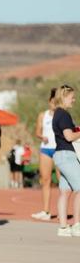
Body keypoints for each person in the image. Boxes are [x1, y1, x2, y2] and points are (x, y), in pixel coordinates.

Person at [51, 85, 80, 237]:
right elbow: (69, 137)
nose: (73, 100)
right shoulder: (63, 114)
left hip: (61, 155)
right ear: (63, 97)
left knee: (65, 192)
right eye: (71, 97)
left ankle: (63, 227)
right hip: (66, 155)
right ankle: (77, 225)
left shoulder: (58, 113)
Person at [32, 88, 60, 221]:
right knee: (45, 180)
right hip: (46, 149)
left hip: (59, 149)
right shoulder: (43, 115)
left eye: (56, 102)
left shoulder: (62, 115)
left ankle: (62, 211)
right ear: (49, 101)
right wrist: (41, 137)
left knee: (62, 181)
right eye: (52, 102)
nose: (54, 104)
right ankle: (46, 211)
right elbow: (37, 131)